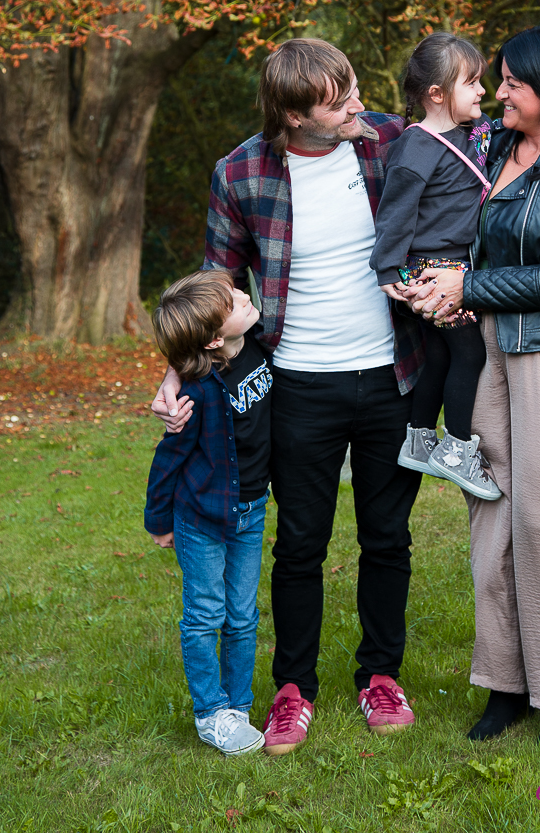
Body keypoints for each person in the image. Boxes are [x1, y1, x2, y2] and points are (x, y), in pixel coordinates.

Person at [151, 38, 425, 755]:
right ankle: (292, 688)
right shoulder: (240, 173)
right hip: (298, 385)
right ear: (294, 114)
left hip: (393, 375)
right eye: (340, 102)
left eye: (355, 89)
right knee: (301, 542)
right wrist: (174, 374)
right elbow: (211, 297)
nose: (358, 107)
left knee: (387, 536)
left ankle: (380, 676)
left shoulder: (392, 142)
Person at [408, 24, 540, 747]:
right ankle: (507, 685)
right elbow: (482, 244)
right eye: (497, 81)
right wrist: (455, 292)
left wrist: (472, 284)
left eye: (511, 84)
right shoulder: (497, 148)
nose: (498, 92)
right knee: (492, 515)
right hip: (490, 351)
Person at [145, 270, 272, 756]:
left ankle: (237, 706)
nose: (246, 296)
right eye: (237, 301)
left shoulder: (258, 343)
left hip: (251, 513)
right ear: (217, 337)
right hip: (200, 519)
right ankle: (209, 713)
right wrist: (158, 522)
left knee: (242, 614)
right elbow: (168, 459)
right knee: (205, 614)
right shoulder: (196, 392)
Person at [370, 31, 499, 500]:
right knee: (470, 354)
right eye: (472, 82)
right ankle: (458, 450)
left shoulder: (474, 133)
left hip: (451, 265)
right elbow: (395, 214)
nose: (483, 91)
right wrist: (387, 273)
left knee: (442, 356)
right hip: (430, 273)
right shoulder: (416, 148)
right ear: (437, 94)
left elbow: (495, 136)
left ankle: (419, 439)